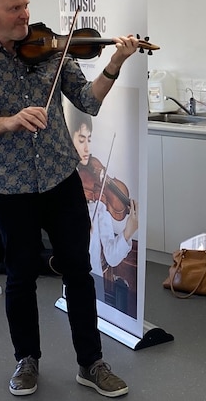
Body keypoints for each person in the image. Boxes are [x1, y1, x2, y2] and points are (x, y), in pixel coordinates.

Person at [0, 0, 139, 398]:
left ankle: (91, 363)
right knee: (19, 277)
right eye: (15, 8)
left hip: (59, 177)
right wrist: (11, 121)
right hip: (10, 186)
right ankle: (27, 360)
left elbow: (88, 101)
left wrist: (114, 64)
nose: (25, 15)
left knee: (78, 271)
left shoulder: (51, 50)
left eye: (26, 5)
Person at [66, 107, 139, 281]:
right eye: (81, 140)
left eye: (89, 140)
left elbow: (112, 257)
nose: (87, 148)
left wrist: (128, 232)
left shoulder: (97, 206)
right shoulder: (64, 184)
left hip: (92, 277)